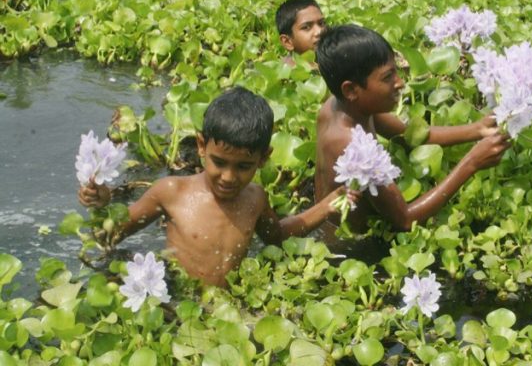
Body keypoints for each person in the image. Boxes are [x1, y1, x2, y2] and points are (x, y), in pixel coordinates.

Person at [79, 87, 355, 287]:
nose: (228, 177)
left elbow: (277, 235)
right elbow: (110, 236)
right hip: (180, 298)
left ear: (263, 158)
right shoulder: (170, 191)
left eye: (243, 167)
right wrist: (103, 203)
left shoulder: (255, 198)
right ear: (201, 146)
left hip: (228, 301)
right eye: (219, 162)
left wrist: (328, 205)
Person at [313, 24, 511, 233]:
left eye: (396, 72)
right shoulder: (350, 145)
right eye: (388, 77)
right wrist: (472, 163)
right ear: (351, 89)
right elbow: (405, 220)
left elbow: (412, 137)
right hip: (344, 242)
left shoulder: (344, 105)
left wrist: (478, 129)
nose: (400, 82)